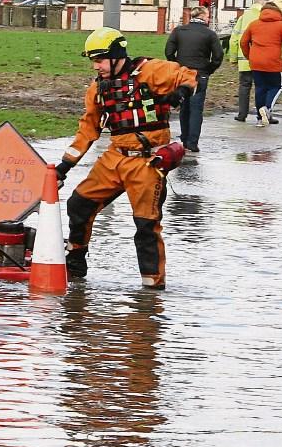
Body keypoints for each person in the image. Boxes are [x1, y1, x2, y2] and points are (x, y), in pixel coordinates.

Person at [55, 27, 198, 289]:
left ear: (117, 56)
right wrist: (64, 166)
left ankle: (152, 289)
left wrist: (181, 93)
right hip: (115, 157)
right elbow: (88, 129)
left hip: (147, 162)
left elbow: (188, 75)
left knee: (146, 224)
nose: (96, 66)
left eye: (100, 60)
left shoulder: (151, 71)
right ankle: (75, 262)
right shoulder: (97, 89)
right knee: (78, 204)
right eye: (93, 61)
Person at [164, 5, 223, 152]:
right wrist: (209, 69)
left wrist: (177, 66)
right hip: (200, 74)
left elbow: (169, 51)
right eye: (208, 16)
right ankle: (192, 142)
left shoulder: (179, 31)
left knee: (184, 106)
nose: (209, 18)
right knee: (196, 108)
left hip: (182, 73)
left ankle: (184, 138)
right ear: (202, 16)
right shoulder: (210, 34)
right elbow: (218, 56)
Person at [240, 2, 282, 127]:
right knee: (276, 87)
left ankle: (260, 119)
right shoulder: (281, 25)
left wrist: (249, 56)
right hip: (272, 62)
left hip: (256, 62)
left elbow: (243, 42)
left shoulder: (254, 24)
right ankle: (267, 109)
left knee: (260, 88)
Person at [228, 0, 267, 122]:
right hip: (261, 60)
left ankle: (242, 114)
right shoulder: (265, 16)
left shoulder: (243, 17)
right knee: (261, 87)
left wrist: (233, 58)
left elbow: (234, 39)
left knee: (244, 87)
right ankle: (262, 114)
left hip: (244, 60)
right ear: (262, 3)